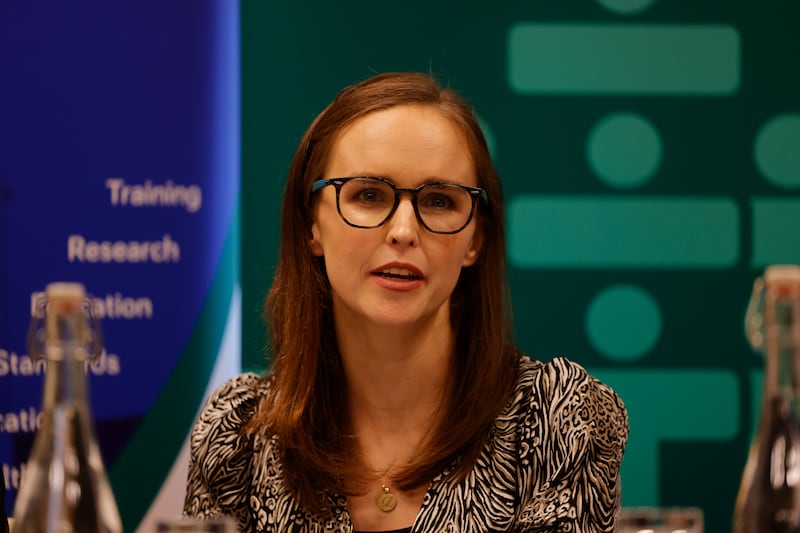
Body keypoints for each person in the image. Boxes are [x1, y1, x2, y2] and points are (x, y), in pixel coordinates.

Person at [183, 71, 629, 532]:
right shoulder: (239, 435)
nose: (403, 231)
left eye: (439, 201)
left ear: (475, 239)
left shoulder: (558, 417)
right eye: (369, 195)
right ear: (310, 226)